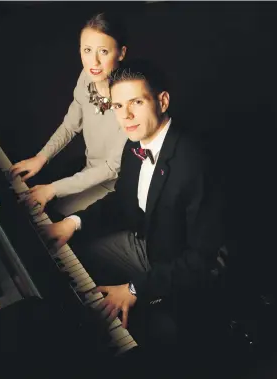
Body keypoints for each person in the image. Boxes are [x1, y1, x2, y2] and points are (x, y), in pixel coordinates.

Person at [40, 60, 226, 365]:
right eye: (117, 105)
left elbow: (202, 259)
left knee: (164, 339)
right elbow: (120, 200)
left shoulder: (195, 163)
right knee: (75, 254)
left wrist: (136, 288)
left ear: (162, 101)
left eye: (136, 103)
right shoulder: (134, 144)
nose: (124, 116)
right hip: (150, 243)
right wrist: (71, 223)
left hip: (194, 267)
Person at [9, 12, 129, 217]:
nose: (95, 62)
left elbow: (111, 168)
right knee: (33, 207)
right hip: (89, 173)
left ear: (121, 53)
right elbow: (71, 125)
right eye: (87, 50)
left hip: (117, 189)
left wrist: (53, 189)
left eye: (103, 51)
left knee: (51, 216)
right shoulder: (86, 78)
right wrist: (41, 157)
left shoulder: (130, 99)